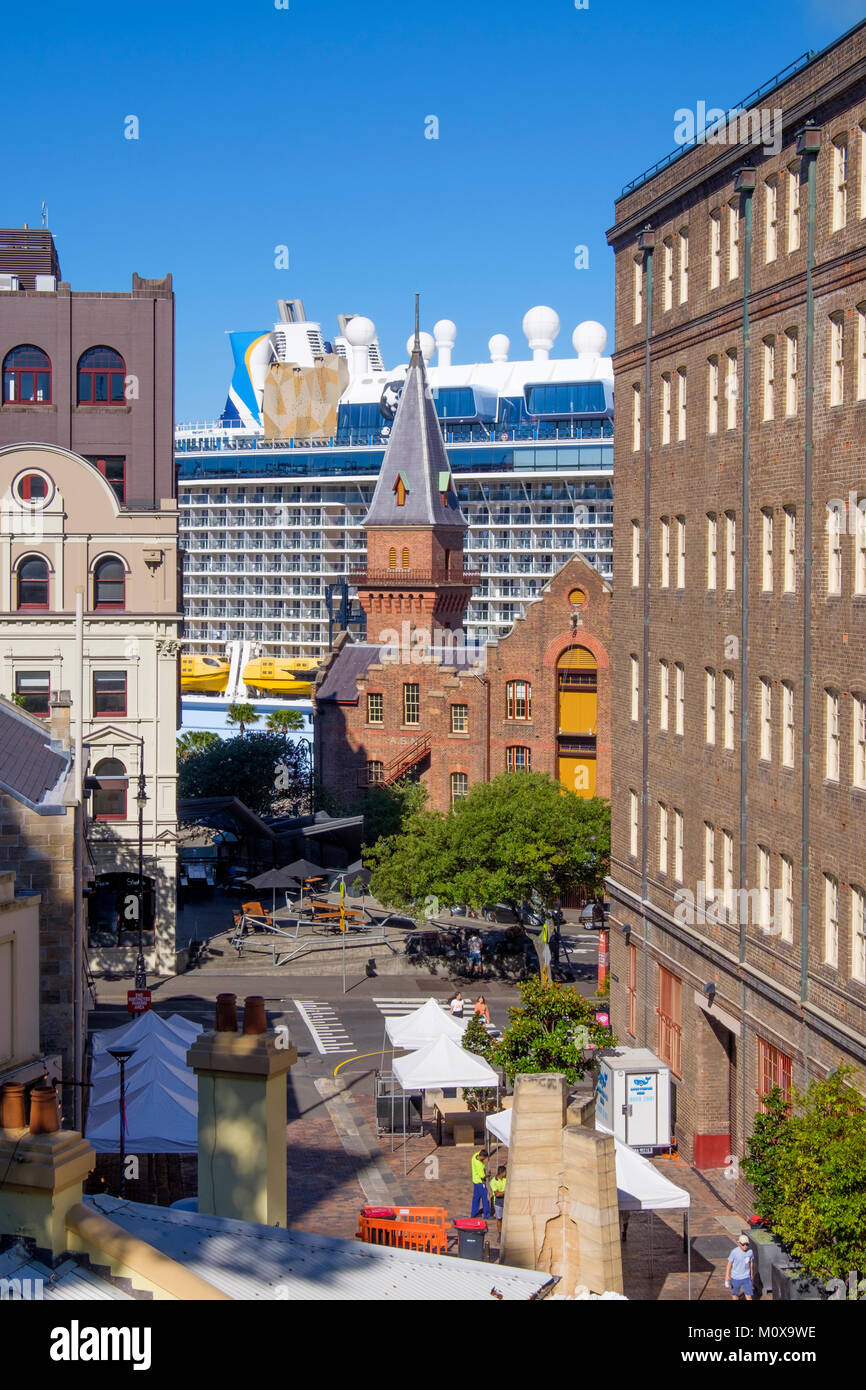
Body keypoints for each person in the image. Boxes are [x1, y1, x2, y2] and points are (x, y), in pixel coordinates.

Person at [725, 1233, 755, 1300]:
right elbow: (729, 1264)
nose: (745, 1246)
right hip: (735, 1277)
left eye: (747, 1244)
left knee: (749, 1296)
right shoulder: (734, 1252)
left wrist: (751, 1274)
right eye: (743, 1244)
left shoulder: (750, 1252)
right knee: (735, 1295)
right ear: (739, 1243)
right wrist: (727, 1275)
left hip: (746, 1277)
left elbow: (751, 1263)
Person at [470, 1146, 490, 1219]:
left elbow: (482, 1150)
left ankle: (474, 1213)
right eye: (484, 1158)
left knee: (476, 1198)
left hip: (475, 1181)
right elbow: (483, 1176)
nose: (485, 1160)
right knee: (484, 1198)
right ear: (482, 1157)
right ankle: (486, 1214)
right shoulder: (480, 1165)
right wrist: (488, 1175)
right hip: (480, 1182)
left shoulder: (474, 1156)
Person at [489, 1164, 507, 1236]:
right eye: (505, 1172)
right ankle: (500, 1234)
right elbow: (497, 1194)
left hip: (505, 1199)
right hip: (498, 1201)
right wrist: (505, 1192)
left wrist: (502, 1193)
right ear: (502, 1173)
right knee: (499, 1218)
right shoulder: (493, 1181)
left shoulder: (506, 1178)